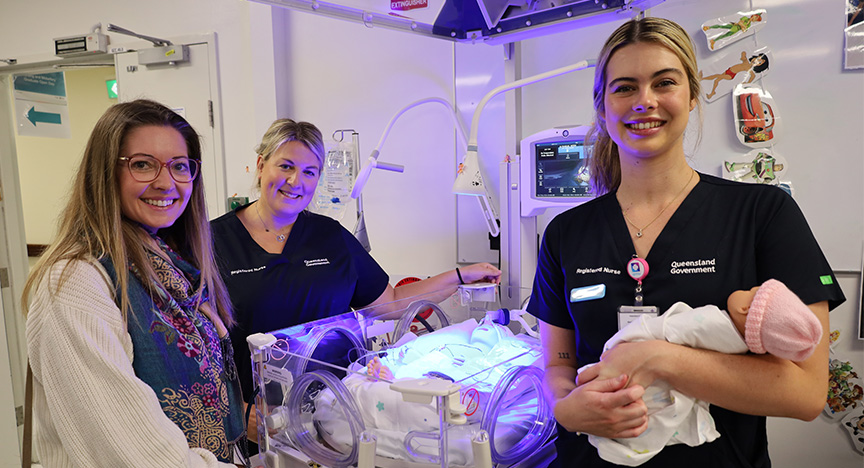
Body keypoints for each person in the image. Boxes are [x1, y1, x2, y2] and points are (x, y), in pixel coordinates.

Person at [527, 17, 844, 468]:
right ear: (602, 107)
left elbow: (807, 392)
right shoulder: (566, 232)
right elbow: (558, 364)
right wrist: (564, 408)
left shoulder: (762, 214)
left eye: (664, 82)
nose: (645, 101)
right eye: (624, 87)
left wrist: (661, 358)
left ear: (692, 96)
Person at [210, 119, 501, 441]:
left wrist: (459, 276)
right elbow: (192, 345)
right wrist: (235, 408)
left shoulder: (330, 236)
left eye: (310, 172)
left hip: (335, 410)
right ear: (261, 165)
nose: (296, 181)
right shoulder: (213, 242)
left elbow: (390, 304)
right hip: (257, 417)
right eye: (286, 166)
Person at [22, 100, 245, 467]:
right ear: (104, 173)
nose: (165, 182)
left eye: (179, 166)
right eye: (142, 164)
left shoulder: (172, 262)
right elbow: (137, 456)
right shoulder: (74, 283)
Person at [582, 279, 822, 466]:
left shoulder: (713, 322)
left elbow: (672, 329)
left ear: (745, 308)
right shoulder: (740, 347)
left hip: (642, 381)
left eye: (752, 290)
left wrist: (642, 346)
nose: (748, 287)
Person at [699, 50, 769, 99]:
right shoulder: (746, 62)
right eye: (757, 58)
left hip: (731, 75)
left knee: (717, 76)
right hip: (728, 70)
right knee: (716, 80)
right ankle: (712, 93)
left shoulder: (748, 68)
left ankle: (702, 78)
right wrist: (743, 56)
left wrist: (747, 83)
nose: (756, 61)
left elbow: (753, 76)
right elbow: (743, 53)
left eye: (759, 62)